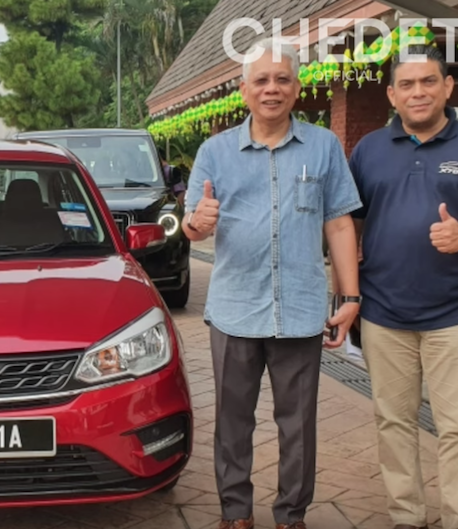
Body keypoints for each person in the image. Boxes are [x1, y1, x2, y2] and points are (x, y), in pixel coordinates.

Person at [182, 37, 362, 529]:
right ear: (244, 90)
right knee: (233, 421)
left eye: (282, 79)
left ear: (297, 88)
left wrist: (349, 296)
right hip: (235, 309)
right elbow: (191, 226)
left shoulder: (323, 146)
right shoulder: (215, 152)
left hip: (301, 309)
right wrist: (198, 222)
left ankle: (291, 515)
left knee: (298, 425)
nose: (271, 88)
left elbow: (340, 223)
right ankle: (235, 513)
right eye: (261, 80)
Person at [347, 43, 458, 529]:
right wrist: (347, 293)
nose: (419, 93)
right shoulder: (369, 149)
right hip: (384, 315)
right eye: (408, 85)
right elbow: (347, 225)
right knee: (393, 424)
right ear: (392, 95)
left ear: (447, 87)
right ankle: (407, 517)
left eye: (429, 81)